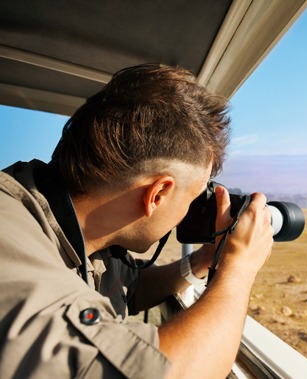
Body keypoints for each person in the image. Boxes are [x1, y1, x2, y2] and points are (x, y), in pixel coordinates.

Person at [0, 64, 274, 378]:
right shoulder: (11, 243)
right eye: (194, 196)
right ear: (157, 194)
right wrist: (239, 267)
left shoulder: (74, 230)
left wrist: (204, 259)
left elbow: (128, 286)